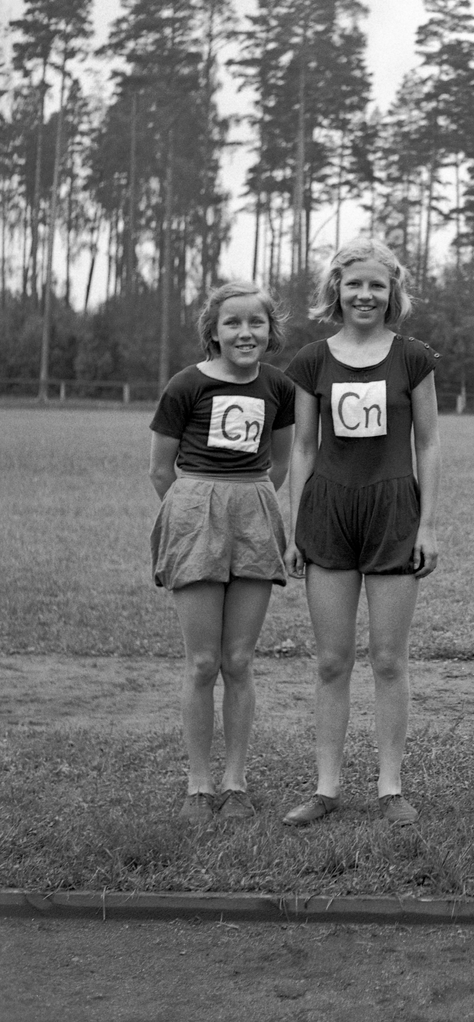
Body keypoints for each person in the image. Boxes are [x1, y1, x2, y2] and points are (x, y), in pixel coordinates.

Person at [281, 237, 441, 828]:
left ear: (392, 292)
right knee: (332, 660)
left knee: (389, 659)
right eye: (354, 284)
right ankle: (326, 788)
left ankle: (390, 787)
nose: (365, 295)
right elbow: (303, 447)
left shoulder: (413, 357)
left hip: (393, 510)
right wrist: (297, 528)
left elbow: (428, 443)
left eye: (377, 284)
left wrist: (427, 525)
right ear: (337, 291)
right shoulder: (311, 361)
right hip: (329, 511)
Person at [149, 281, 295, 825]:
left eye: (256, 322)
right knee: (202, 661)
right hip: (195, 515)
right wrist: (196, 511)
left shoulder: (279, 387)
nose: (245, 332)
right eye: (232, 322)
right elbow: (160, 470)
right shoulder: (185, 384)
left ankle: (235, 782)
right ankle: (198, 785)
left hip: (254, 512)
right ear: (213, 331)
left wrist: (246, 506)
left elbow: (281, 462)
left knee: (238, 660)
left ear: (270, 331)